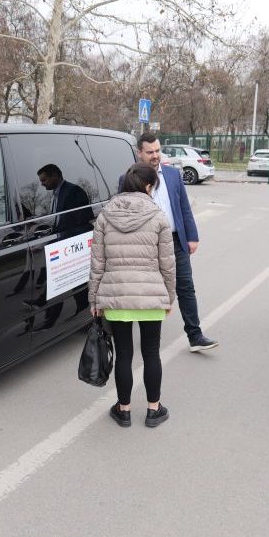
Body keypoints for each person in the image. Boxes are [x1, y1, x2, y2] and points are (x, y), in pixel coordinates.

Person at [89, 162, 176, 428]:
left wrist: (94, 299)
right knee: (151, 353)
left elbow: (97, 263)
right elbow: (168, 264)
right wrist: (169, 297)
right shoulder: (159, 217)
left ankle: (123, 410)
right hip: (150, 297)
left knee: (124, 354)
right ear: (148, 186)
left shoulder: (105, 216)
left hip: (116, 297)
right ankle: (153, 409)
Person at [130, 133, 217, 351]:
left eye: (158, 150)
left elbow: (184, 207)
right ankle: (148, 338)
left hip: (176, 241)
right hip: (147, 245)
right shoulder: (130, 179)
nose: (155, 155)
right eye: (150, 152)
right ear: (139, 153)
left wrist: (192, 236)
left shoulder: (172, 175)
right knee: (149, 290)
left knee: (186, 287)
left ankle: (195, 336)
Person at [37, 164, 92, 233]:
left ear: (55, 175)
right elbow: (57, 220)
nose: (42, 184)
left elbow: (82, 221)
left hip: (72, 238)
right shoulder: (55, 195)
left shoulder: (73, 191)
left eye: (44, 180)